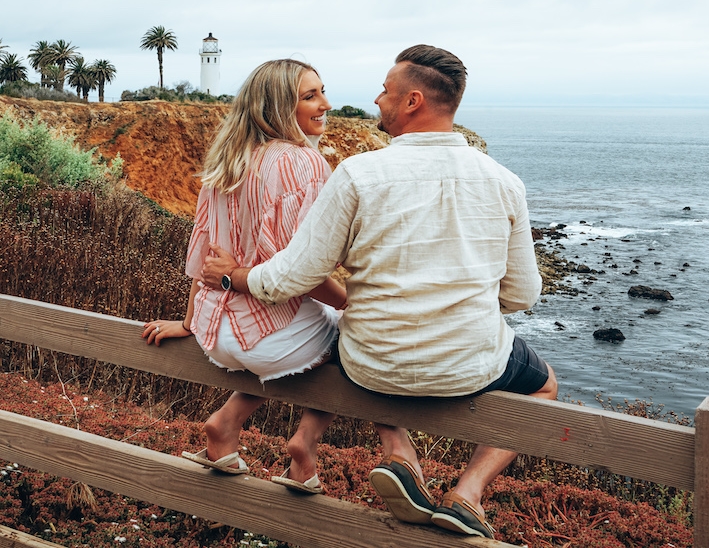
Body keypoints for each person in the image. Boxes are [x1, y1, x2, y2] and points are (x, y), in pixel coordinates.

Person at [200, 44, 557, 539]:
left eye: (385, 93)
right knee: (543, 386)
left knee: (347, 343)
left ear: (413, 101)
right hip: (469, 364)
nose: (375, 100)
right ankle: (468, 493)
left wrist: (234, 277)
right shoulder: (504, 182)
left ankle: (400, 452)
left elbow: (290, 277)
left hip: (372, 364)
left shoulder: (357, 175)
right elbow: (521, 295)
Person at [142, 59, 347, 493]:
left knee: (297, 337)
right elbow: (302, 273)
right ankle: (305, 443)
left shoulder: (227, 161)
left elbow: (201, 256)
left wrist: (188, 321)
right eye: (310, 96)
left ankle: (225, 424)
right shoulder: (302, 162)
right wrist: (351, 304)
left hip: (215, 334)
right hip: (270, 339)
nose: (326, 104)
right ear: (275, 107)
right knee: (355, 331)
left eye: (322, 91)